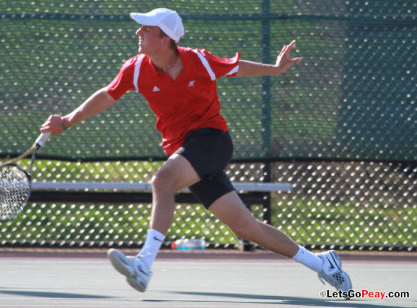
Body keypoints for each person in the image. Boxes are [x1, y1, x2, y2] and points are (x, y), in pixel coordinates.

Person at [40, 8, 352, 295]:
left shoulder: (198, 60)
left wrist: (275, 69)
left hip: (212, 139)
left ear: (166, 38)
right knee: (245, 226)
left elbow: (234, 67)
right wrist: (67, 120)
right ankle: (322, 263)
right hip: (184, 150)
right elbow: (107, 96)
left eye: (146, 29)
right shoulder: (135, 69)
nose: (138, 33)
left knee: (162, 181)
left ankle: (144, 264)